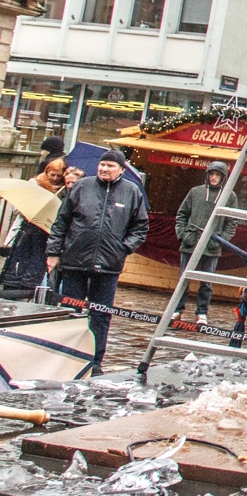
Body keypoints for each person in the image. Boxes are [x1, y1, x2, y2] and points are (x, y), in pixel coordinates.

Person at [45, 150, 147, 374]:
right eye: (102, 165)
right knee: (71, 311)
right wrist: (53, 252)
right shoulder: (82, 187)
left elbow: (140, 227)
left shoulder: (131, 192)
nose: (105, 169)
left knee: (101, 315)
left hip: (108, 266)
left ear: (121, 170)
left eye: (110, 166)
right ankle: (66, 358)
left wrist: (123, 248)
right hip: (75, 261)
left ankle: (95, 361)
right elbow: (61, 221)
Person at [173, 161, 237, 326]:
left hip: (212, 244)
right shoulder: (195, 192)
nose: (213, 177)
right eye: (211, 174)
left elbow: (232, 222)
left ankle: (202, 312)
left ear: (223, 177)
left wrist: (222, 240)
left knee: (206, 281)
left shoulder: (229, 196)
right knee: (184, 279)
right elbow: (182, 214)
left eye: (217, 175)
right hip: (191, 241)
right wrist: (183, 234)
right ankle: (177, 309)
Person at [1, 157, 67, 297]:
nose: (55, 179)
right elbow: (17, 209)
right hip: (27, 230)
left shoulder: (64, 190)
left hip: (45, 231)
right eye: (52, 175)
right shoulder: (35, 183)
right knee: (18, 264)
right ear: (46, 172)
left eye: (59, 176)